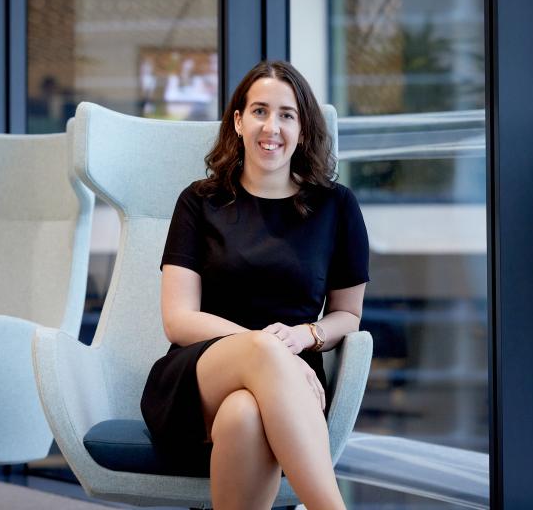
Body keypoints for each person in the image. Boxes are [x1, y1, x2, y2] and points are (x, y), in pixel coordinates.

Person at [140, 60, 369, 510]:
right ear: (239, 121)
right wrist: (272, 350)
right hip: (196, 379)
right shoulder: (199, 202)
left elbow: (348, 314)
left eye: (287, 114)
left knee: (245, 414)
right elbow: (178, 320)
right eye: (260, 111)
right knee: (259, 359)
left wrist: (307, 336)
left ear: (302, 129)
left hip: (290, 392)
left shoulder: (336, 207)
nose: (273, 126)